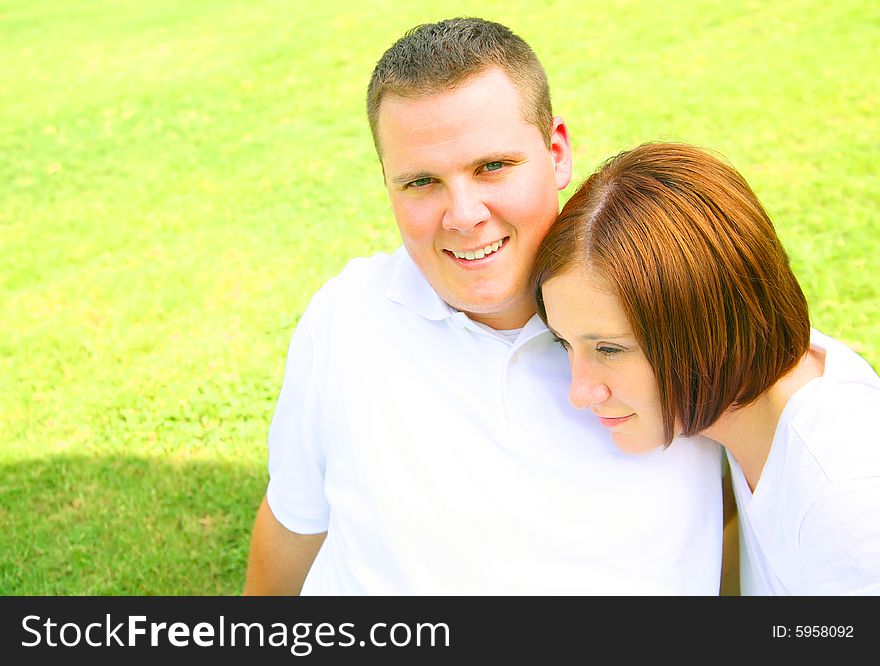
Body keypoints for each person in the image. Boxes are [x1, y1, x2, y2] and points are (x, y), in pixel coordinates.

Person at [243, 19, 723, 595]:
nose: (464, 215)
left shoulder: (670, 301)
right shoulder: (344, 317)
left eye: (492, 166)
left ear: (557, 152)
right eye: (422, 181)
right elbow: (294, 521)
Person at [533, 141, 880, 595]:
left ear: (709, 324)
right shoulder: (760, 400)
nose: (579, 392)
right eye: (565, 343)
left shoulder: (846, 503)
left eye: (610, 349)